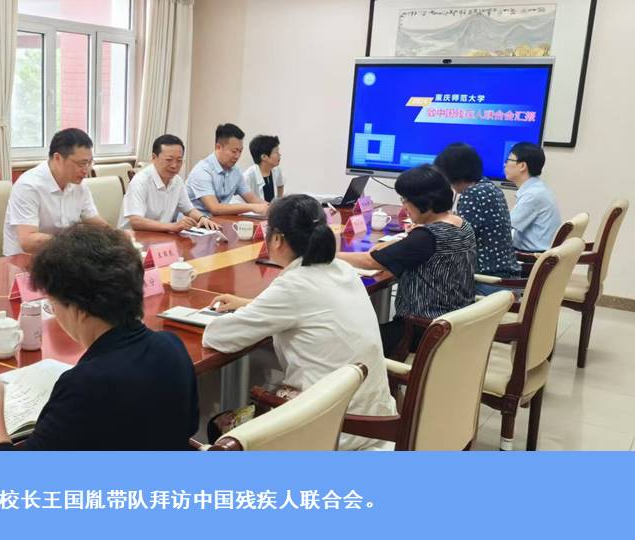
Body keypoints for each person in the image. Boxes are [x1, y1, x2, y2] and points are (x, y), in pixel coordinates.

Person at [0, 224, 199, 450]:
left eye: (53, 305)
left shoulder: (85, 384)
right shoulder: (172, 346)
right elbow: (189, 426)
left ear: (78, 309)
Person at [200, 194, 397, 450]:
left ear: (277, 239)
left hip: (329, 430)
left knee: (218, 425)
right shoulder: (342, 269)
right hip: (372, 420)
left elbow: (218, 337)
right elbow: (307, 308)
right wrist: (252, 305)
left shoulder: (294, 285)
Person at [337, 165, 476, 357]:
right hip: (456, 324)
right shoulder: (461, 224)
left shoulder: (426, 237)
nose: (404, 207)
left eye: (405, 201)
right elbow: (386, 251)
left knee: (344, 342)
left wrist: (329, 254)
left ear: (423, 202)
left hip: (421, 331)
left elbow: (371, 261)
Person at [3, 128, 110, 255]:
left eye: (89, 162)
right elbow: (28, 242)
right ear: (58, 158)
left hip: (63, 255)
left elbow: (95, 221)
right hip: (25, 259)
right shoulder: (29, 186)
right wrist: (76, 241)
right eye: (82, 163)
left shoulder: (79, 185)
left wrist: (116, 235)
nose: (86, 170)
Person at [434, 143, 520, 295]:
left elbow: (456, 240)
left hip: (488, 282)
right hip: (506, 279)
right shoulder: (490, 187)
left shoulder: (472, 194)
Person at [119, 134, 220, 232]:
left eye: (179, 160)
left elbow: (189, 210)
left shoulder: (177, 180)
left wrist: (202, 218)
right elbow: (136, 221)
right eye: (169, 160)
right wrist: (172, 226)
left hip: (160, 236)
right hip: (132, 238)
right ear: (154, 158)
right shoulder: (140, 181)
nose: (174, 165)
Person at [186, 123, 269, 216]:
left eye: (240, 151)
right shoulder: (202, 171)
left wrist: (273, 209)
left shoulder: (236, 171)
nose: (237, 156)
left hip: (220, 221)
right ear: (218, 147)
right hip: (196, 222)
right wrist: (251, 207)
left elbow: (253, 199)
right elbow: (215, 208)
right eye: (234, 151)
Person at [505, 142, 561, 252]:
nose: (505, 164)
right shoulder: (537, 188)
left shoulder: (533, 195)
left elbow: (504, 227)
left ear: (522, 166)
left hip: (531, 256)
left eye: (508, 160)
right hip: (534, 251)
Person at [243, 134, 285, 202]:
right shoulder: (247, 177)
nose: (279, 154)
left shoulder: (276, 169)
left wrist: (279, 203)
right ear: (264, 157)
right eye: (276, 152)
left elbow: (280, 185)